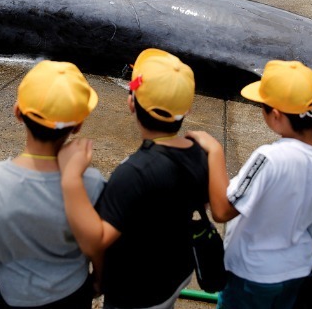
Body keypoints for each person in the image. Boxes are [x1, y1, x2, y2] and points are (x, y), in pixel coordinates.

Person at [59, 48, 215, 309]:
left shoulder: (133, 173)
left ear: (131, 102)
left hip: (135, 292)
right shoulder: (200, 152)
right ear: (186, 109)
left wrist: (71, 179)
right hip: (175, 273)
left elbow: (96, 241)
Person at [192, 60, 312, 309]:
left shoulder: (269, 158)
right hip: (296, 270)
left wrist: (214, 150)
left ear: (275, 115)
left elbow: (222, 211)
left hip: (252, 275)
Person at [0, 60, 105, 309]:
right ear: (78, 125)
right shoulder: (92, 184)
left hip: (13, 293)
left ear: (18, 112)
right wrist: (97, 282)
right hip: (71, 295)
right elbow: (99, 248)